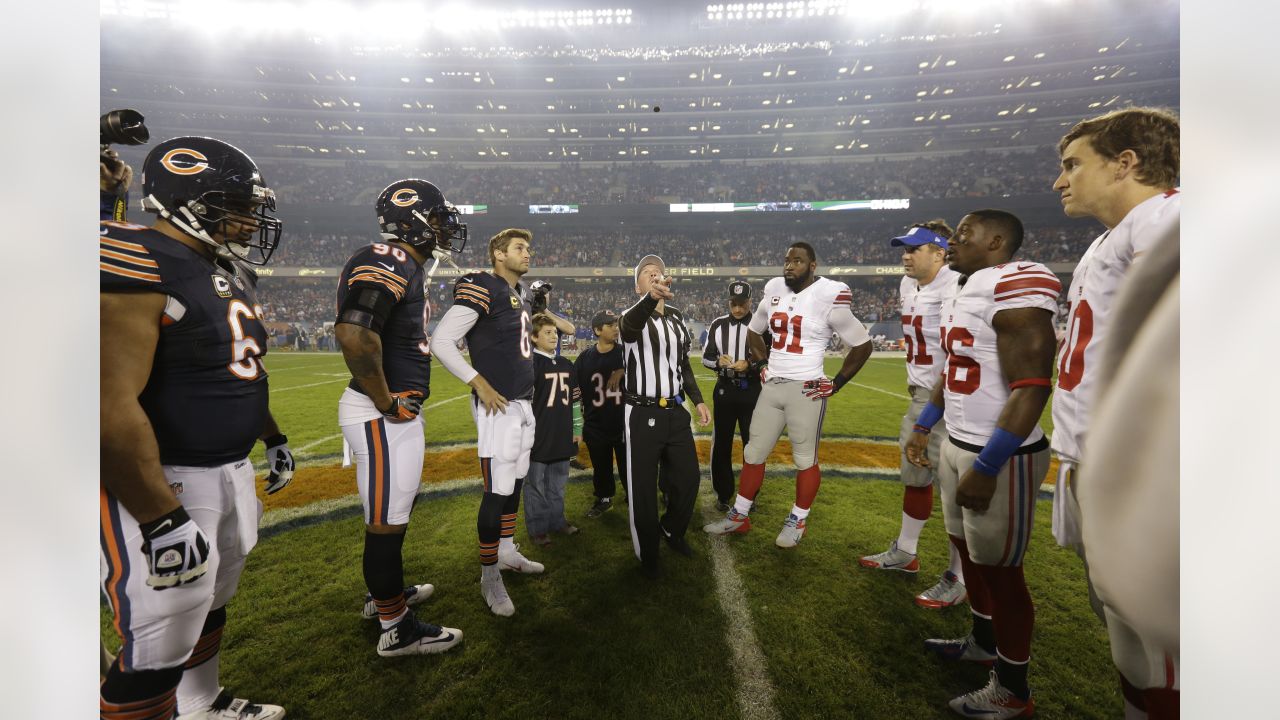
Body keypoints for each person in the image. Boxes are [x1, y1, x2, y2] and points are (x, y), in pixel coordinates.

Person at [100, 136, 293, 719]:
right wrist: (158, 518)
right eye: (235, 202)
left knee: (209, 599)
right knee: (157, 640)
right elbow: (104, 400)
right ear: (186, 198)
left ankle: (203, 702)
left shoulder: (224, 268)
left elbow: (236, 372)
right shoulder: (134, 254)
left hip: (228, 468)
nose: (250, 217)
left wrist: (273, 435)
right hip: (166, 476)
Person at [1049, 107, 1181, 718]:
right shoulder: (1118, 235)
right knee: (1126, 632)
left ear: (1125, 163)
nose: (1060, 181)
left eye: (1073, 164)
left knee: (1162, 650)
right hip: (1089, 456)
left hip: (1135, 470)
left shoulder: (1167, 216)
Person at [905, 209, 1060, 719]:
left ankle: (1013, 688)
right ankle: (981, 640)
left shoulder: (1016, 282)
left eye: (966, 233)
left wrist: (990, 465)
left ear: (996, 241)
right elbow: (952, 370)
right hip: (957, 440)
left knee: (1003, 571)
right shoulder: (962, 288)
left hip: (1000, 452)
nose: (954, 240)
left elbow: (1034, 383)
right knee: (967, 551)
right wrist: (926, 424)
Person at [334, 178, 466, 657]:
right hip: (381, 414)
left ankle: (382, 597)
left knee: (389, 515)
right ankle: (396, 627)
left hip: (382, 412)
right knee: (388, 522)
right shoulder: (388, 258)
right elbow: (354, 333)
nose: (445, 227)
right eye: (437, 218)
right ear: (413, 221)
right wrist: (387, 402)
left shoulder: (405, 264)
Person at [703, 242, 873, 547]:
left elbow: (862, 344)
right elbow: (755, 331)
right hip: (772, 386)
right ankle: (740, 516)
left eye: (798, 261)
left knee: (805, 459)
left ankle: (798, 519)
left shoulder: (829, 294)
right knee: (753, 452)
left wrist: (837, 382)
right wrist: (762, 362)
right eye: (786, 260)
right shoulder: (774, 289)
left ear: (812, 265)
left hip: (806, 388)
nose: (789, 266)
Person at [431, 228, 547, 617]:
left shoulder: (520, 293)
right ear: (498, 254)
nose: (527, 253)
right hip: (498, 406)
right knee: (496, 490)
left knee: (515, 481)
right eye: (519, 248)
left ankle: (507, 550)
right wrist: (478, 383)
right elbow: (442, 340)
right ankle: (488, 575)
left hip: (522, 403)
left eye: (528, 248)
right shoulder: (483, 285)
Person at [859, 222, 969, 610]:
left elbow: (961, 351)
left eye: (915, 249)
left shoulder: (959, 284)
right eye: (903, 249)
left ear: (940, 252)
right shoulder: (908, 285)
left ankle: (960, 576)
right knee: (916, 474)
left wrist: (933, 406)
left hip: (949, 394)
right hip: (919, 392)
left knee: (954, 489)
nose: (905, 256)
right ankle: (907, 551)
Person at [620, 255, 711, 578]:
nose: (655, 273)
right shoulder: (630, 316)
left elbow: (682, 364)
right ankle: (648, 556)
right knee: (642, 489)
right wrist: (651, 299)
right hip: (641, 411)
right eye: (647, 273)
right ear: (638, 286)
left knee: (688, 479)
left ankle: (672, 530)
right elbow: (628, 330)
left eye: (658, 270)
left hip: (675, 411)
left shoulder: (675, 318)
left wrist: (697, 400)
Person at [701, 281, 765, 513]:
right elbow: (705, 358)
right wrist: (718, 362)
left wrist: (750, 364)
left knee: (753, 445)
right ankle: (723, 494)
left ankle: (750, 495)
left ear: (750, 302)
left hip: (752, 391)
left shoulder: (760, 324)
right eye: (733, 303)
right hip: (725, 390)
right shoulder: (718, 325)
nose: (737, 309)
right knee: (722, 445)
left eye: (742, 304)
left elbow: (771, 360)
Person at [524, 314, 584, 545]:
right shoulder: (530, 364)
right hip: (538, 434)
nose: (554, 337)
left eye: (555, 333)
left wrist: (577, 427)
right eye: (547, 333)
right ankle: (538, 528)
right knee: (536, 484)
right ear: (534, 337)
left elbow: (576, 400)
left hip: (562, 432)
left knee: (558, 482)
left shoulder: (566, 364)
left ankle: (557, 521)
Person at [574, 310, 627, 518]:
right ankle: (604, 498)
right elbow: (574, 388)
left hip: (623, 421)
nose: (615, 328)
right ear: (597, 330)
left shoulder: (626, 353)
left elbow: (642, 374)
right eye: (609, 324)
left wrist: (622, 371)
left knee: (628, 465)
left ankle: (633, 495)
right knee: (601, 466)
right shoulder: (585, 358)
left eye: (616, 324)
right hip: (596, 422)